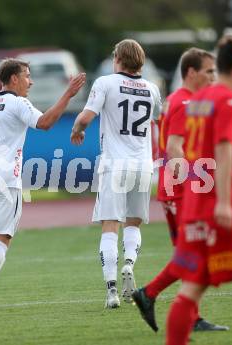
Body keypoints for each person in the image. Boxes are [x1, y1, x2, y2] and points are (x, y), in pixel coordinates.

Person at [0, 58, 86, 312]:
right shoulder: (18, 103)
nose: (31, 81)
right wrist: (68, 94)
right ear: (13, 79)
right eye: (27, 75)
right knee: (3, 238)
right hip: (6, 180)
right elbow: (45, 123)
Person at [165, 35, 232, 345]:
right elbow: (224, 149)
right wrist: (226, 201)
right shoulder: (229, 101)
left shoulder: (200, 100)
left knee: (192, 286)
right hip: (226, 208)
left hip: (197, 203)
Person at [132, 48, 228, 332]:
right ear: (191, 72)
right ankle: (151, 294)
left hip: (182, 190)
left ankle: (182, 311)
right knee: (194, 254)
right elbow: (174, 148)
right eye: (209, 71)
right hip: (181, 192)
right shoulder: (183, 102)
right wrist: (193, 186)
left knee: (190, 255)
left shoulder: (189, 101)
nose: (213, 77)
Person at [71, 39, 161, 308]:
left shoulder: (106, 83)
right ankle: (130, 265)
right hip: (143, 166)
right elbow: (160, 120)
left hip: (115, 165)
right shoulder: (152, 88)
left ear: (118, 59)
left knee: (110, 226)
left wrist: (77, 129)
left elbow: (85, 117)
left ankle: (111, 289)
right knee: (133, 223)